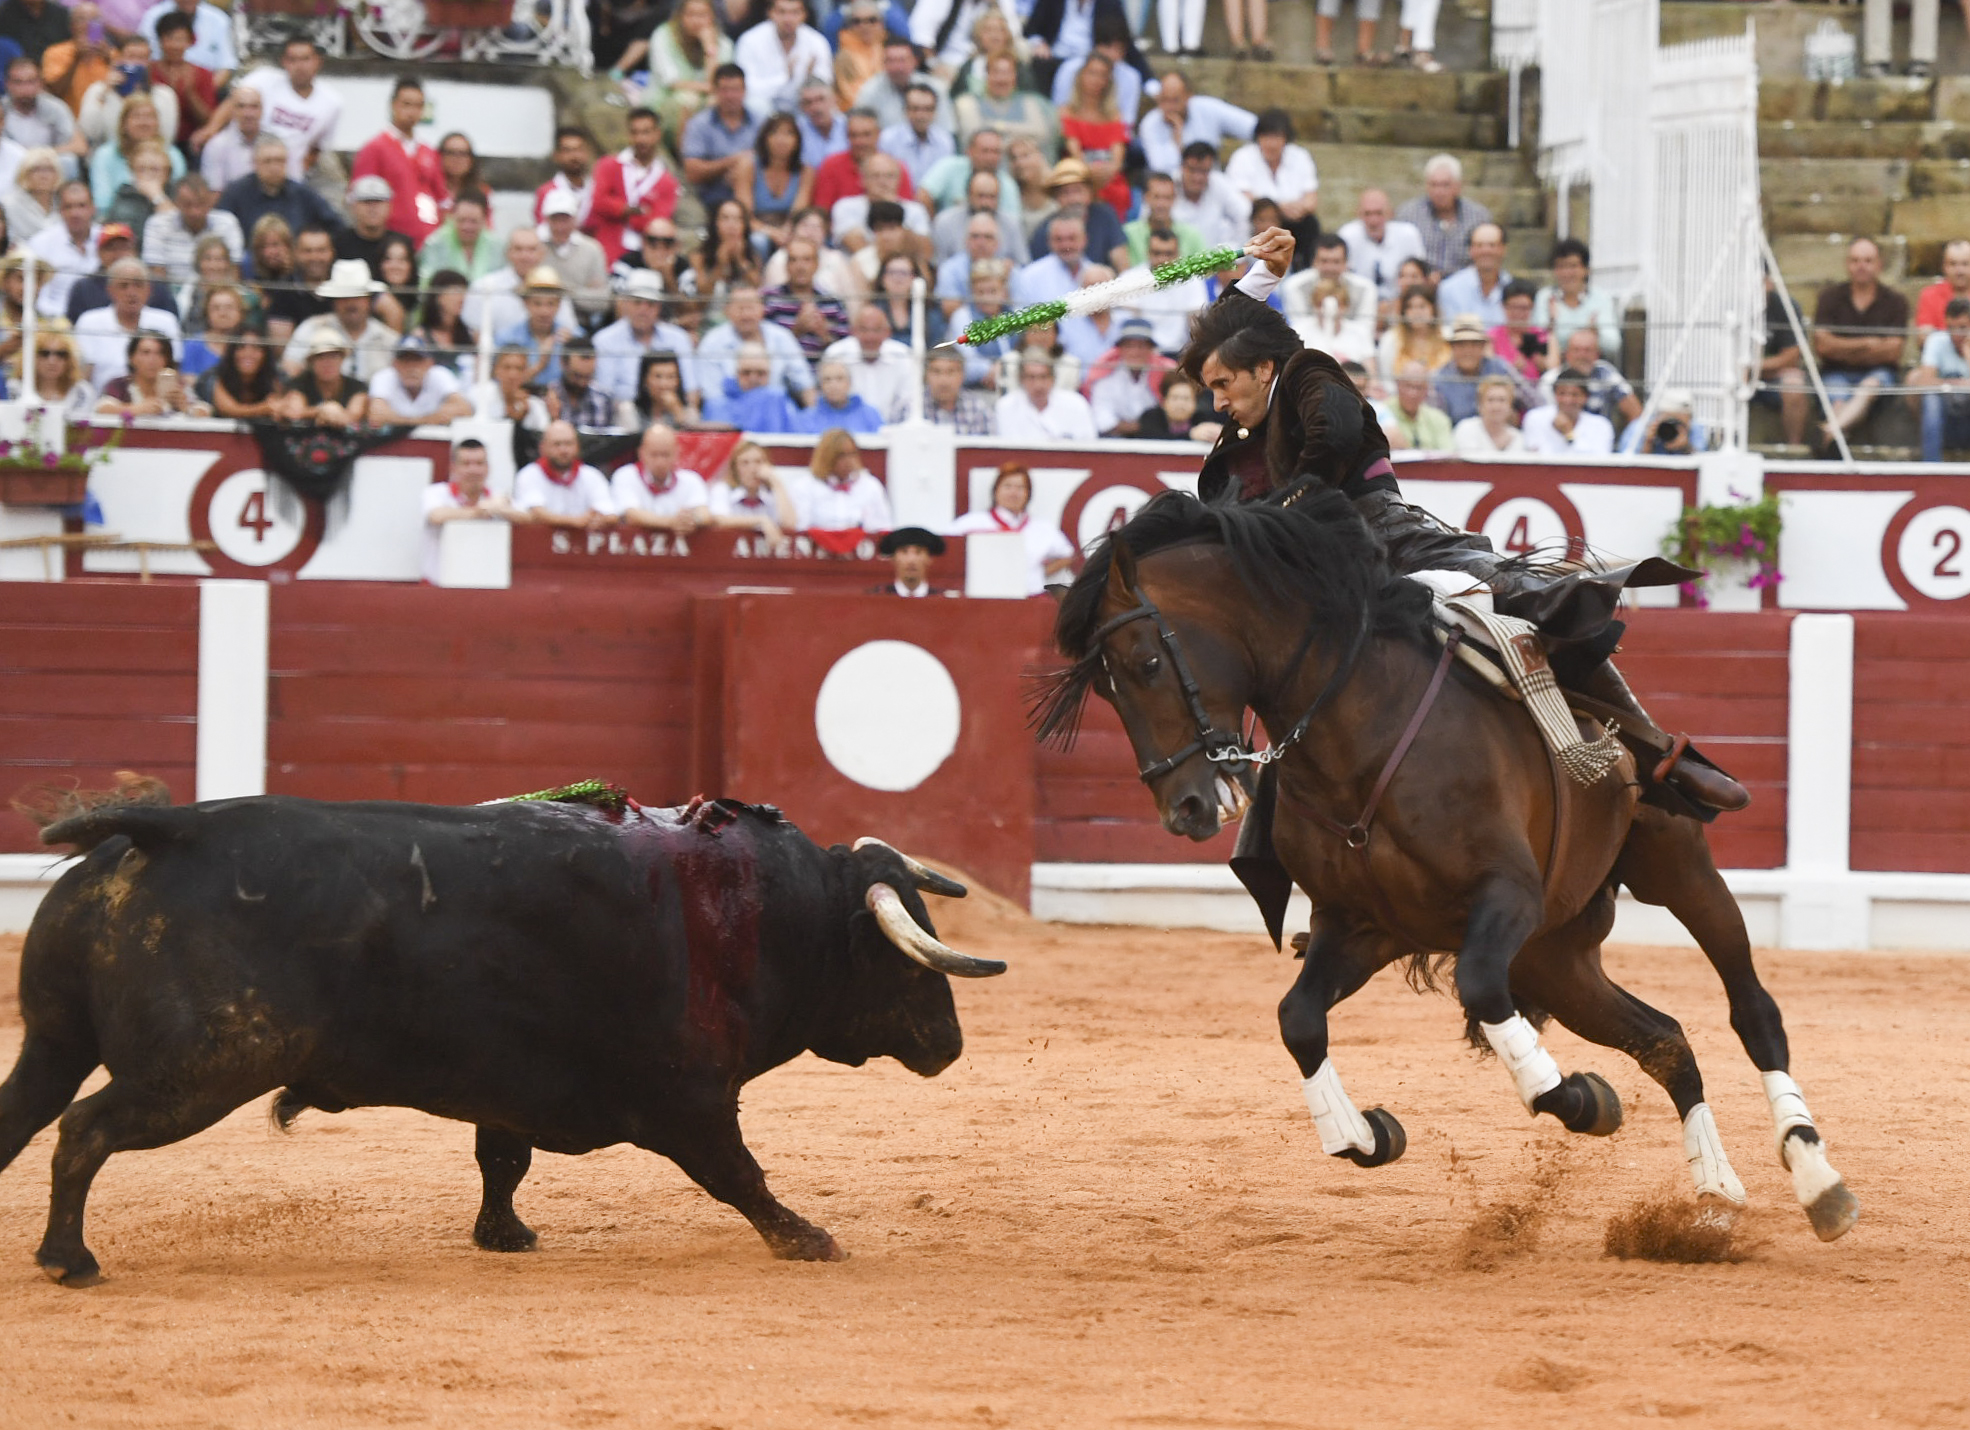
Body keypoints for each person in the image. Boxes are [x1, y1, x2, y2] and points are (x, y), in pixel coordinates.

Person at [1186, 225, 1748, 839]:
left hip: (1388, 544)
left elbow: (1331, 447)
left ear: (1262, 368)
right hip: (1313, 581)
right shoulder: (1243, 428)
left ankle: (1661, 752)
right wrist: (1263, 276)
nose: (1215, 401)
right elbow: (1220, 337)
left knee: (1527, 596)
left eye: (1221, 385)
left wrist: (1270, 520)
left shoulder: (1307, 376)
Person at [1809, 235, 1910, 450]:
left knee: (1869, 386)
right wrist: (1867, 344)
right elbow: (1823, 346)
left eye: (1867, 260)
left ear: (1879, 264)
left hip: (1879, 376)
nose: (1861, 266)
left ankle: (1828, 432)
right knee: (1837, 396)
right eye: (1855, 260)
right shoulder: (1829, 297)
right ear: (1847, 264)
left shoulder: (1895, 301)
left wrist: (1842, 348)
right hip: (1835, 373)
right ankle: (1834, 434)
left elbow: (1893, 352)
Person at [945, 460, 1073, 593]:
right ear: (996, 490)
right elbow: (946, 549)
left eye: (1020, 487)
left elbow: (1067, 554)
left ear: (1028, 493)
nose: (1013, 493)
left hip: (1030, 597)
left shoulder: (1042, 529)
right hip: (983, 598)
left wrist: (1037, 573)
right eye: (1007, 486)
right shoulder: (971, 523)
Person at [349, 77, 444, 247]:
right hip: (390, 243)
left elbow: (441, 197)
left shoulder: (428, 151)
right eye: (406, 104)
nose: (412, 112)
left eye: (418, 105)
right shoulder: (375, 148)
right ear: (393, 105)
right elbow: (359, 196)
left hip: (428, 240)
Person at [234, 35, 340, 183]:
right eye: (293, 60)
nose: (300, 66)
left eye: (305, 59)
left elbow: (318, 147)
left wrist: (300, 170)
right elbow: (233, 101)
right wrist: (209, 130)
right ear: (284, 62)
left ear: (318, 61)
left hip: (290, 180)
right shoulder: (263, 80)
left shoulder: (332, 102)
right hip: (248, 171)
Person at [421, 438, 521, 583]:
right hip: (437, 584)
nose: (473, 470)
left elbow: (526, 517)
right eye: (466, 464)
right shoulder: (436, 493)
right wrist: (481, 511)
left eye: (479, 463)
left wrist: (504, 509)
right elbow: (436, 515)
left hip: (485, 583)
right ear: (453, 467)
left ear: (488, 468)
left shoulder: (497, 497)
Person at [594, 268, 698, 404]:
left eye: (650, 304)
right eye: (637, 302)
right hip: (622, 413)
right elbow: (604, 393)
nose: (643, 310)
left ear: (659, 307)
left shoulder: (678, 338)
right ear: (625, 303)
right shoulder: (604, 340)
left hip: (670, 410)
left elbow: (691, 389)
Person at [74, 254, 181, 385]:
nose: (131, 292)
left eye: (138, 285)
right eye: (123, 286)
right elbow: (83, 377)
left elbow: (173, 371)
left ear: (149, 290)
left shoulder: (165, 322)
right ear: (110, 290)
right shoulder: (90, 322)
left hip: (154, 400)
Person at [281, 258, 394, 381]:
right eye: (344, 297)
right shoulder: (312, 328)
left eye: (357, 297)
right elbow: (289, 369)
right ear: (334, 301)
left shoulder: (388, 339)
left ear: (369, 300)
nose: (351, 303)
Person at [634, 0, 733, 138]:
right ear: (680, 16)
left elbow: (722, 83)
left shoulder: (723, 43)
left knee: (715, 102)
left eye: (702, 15)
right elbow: (672, 82)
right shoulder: (663, 36)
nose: (696, 21)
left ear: (712, 16)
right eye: (690, 14)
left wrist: (709, 48)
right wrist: (710, 87)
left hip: (705, 100)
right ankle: (684, 156)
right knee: (687, 100)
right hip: (665, 101)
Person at [698, 284, 814, 399]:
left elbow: (805, 383)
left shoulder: (782, 337)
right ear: (727, 311)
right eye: (740, 308)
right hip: (728, 409)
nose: (746, 315)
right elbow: (712, 395)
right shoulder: (712, 342)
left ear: (762, 309)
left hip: (774, 408)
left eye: (751, 308)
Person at [217, 135, 339, 244]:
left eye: (279, 160)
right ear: (254, 163)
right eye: (268, 161)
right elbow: (219, 228)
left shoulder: (302, 194)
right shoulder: (236, 193)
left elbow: (336, 225)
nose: (274, 167)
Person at [1225, 110, 1318, 252]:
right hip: (1255, 221)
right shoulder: (1242, 157)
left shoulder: (1300, 156)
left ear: (1286, 138)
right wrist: (1278, 208)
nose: (1271, 144)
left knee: (1310, 223)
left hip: (1293, 221)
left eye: (1277, 137)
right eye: (1266, 137)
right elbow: (1242, 196)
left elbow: (1311, 199)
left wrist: (1297, 208)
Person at [1394, 153, 1493, 278]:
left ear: (1458, 186)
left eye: (1445, 185)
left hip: (1464, 284)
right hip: (1420, 287)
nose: (1439, 192)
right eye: (1434, 185)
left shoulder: (1478, 217)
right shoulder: (1408, 215)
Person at [1137, 72, 1252, 178]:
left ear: (1188, 96)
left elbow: (1253, 127)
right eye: (1164, 100)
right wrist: (1177, 138)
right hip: (1173, 191)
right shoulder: (1150, 124)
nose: (1169, 107)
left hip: (1211, 183)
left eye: (1175, 101)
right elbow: (1163, 171)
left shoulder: (1208, 108)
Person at [734, 0, 832, 122]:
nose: (788, 19)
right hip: (766, 106)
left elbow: (825, 83)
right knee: (755, 105)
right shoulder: (750, 40)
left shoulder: (817, 42)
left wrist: (808, 79)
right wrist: (783, 78)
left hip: (802, 104)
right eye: (782, 12)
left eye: (794, 12)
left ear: (804, 15)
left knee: (822, 105)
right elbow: (747, 87)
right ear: (770, 13)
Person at [680, 62, 757, 211]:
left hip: (753, 195)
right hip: (710, 197)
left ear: (745, 90)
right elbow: (692, 172)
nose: (730, 96)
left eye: (735, 90)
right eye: (724, 90)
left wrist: (743, 171)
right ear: (714, 91)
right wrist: (731, 162)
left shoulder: (760, 122)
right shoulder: (699, 124)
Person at [953, 51, 1056, 161]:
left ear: (1015, 76)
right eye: (996, 72)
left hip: (1021, 165)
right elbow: (971, 134)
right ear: (987, 75)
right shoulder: (967, 102)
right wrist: (1019, 138)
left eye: (1007, 73)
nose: (1001, 79)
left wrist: (998, 128)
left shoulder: (1030, 102)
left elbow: (1041, 134)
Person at [514, 420, 615, 529]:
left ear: (577, 446)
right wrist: (576, 521)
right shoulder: (529, 475)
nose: (563, 450)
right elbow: (537, 514)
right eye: (557, 444)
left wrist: (601, 519)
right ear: (542, 448)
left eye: (568, 443)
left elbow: (611, 514)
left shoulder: (592, 475)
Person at [1337, 189, 1425, 314]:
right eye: (1368, 214)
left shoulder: (1408, 235)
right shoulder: (1347, 236)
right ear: (1358, 214)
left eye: (1379, 213)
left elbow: (1419, 278)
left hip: (1401, 307)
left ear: (1390, 213)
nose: (1374, 221)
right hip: (1357, 307)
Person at [140, 171, 239, 283]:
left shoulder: (227, 223)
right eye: (188, 205)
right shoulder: (157, 224)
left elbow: (233, 273)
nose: (195, 211)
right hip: (172, 293)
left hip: (215, 292)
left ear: (211, 201)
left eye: (200, 204)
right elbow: (157, 277)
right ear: (176, 203)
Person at [1533, 237, 1620, 363]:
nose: (1567, 273)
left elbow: (1613, 344)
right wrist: (1586, 334)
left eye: (1573, 266)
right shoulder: (1545, 297)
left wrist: (1596, 333)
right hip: (1556, 367)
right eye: (1561, 266)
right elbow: (1538, 341)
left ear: (1586, 270)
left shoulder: (1601, 298)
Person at [611, 422, 710, 533]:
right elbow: (631, 515)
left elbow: (704, 513)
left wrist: (693, 520)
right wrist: (671, 523)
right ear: (641, 453)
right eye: (654, 454)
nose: (660, 462)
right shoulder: (625, 475)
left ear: (677, 453)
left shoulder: (691, 480)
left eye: (665, 454)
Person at [762, 234, 847, 361]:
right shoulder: (768, 300)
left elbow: (846, 352)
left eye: (807, 260)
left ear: (817, 264)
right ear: (786, 265)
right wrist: (796, 331)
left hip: (823, 376)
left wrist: (824, 335)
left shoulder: (832, 303)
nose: (800, 267)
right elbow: (762, 351)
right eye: (793, 260)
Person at [1535, 327, 1641, 429]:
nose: (1582, 355)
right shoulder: (1550, 380)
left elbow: (1635, 412)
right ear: (1566, 354)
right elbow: (1543, 419)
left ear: (1597, 354)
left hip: (1600, 438)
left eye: (1588, 350)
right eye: (1576, 350)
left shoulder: (1606, 373)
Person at [493, 264, 576, 390]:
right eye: (537, 304)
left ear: (559, 304)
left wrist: (572, 353)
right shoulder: (506, 338)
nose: (544, 311)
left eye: (551, 304)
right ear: (525, 303)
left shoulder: (574, 337)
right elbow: (500, 384)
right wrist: (540, 365)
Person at [794, 427, 892, 532]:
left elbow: (882, 527)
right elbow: (800, 527)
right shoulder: (805, 486)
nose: (848, 461)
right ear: (826, 457)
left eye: (852, 454)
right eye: (841, 456)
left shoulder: (870, 486)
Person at [538, 189, 610, 326]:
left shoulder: (592, 249)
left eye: (565, 219)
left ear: (575, 219)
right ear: (546, 219)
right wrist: (582, 292)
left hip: (582, 324)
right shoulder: (535, 247)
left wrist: (564, 291)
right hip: (540, 321)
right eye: (555, 219)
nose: (560, 226)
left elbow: (602, 301)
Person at [1431, 312, 1519, 424]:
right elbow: (1437, 423)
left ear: (1483, 346)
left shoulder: (1500, 368)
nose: (1468, 351)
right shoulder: (1439, 379)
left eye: (1474, 344)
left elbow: (1534, 401)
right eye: (1461, 344)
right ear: (1452, 347)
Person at [94, 327, 206, 415]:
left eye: (160, 353)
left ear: (167, 359)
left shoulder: (178, 387)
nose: (152, 360)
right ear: (131, 357)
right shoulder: (119, 385)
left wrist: (186, 408)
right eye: (145, 353)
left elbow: (204, 411)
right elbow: (102, 408)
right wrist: (137, 409)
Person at [367, 331, 471, 425]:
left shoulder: (440, 374)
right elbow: (376, 415)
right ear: (395, 364)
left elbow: (464, 409)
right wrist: (429, 419)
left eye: (417, 361)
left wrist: (396, 419)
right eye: (405, 361)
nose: (411, 368)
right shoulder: (384, 377)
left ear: (429, 363)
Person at [147, 9, 215, 151]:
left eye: (181, 39)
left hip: (189, 143)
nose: (175, 45)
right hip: (151, 140)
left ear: (190, 42)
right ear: (160, 40)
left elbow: (207, 120)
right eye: (170, 38)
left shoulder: (202, 74)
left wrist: (190, 93)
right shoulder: (148, 71)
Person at [1086, 316, 1165, 437]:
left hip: (1156, 438)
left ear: (1150, 349)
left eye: (1141, 346)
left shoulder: (1164, 373)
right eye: (1129, 346)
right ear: (1120, 349)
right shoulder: (1105, 374)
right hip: (1114, 441)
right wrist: (1142, 426)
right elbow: (1102, 420)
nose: (1135, 352)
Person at [1913, 295, 1970, 461]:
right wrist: (1962, 383)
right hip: (1946, 411)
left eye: (1963, 327)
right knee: (1931, 400)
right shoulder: (1937, 340)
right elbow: (1925, 381)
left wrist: (1967, 352)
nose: (1956, 334)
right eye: (1951, 328)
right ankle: (1931, 468)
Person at [707, 438, 797, 543]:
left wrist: (776, 483)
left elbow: (790, 524)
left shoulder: (774, 492)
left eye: (758, 462)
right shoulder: (723, 489)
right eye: (745, 463)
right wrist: (761, 521)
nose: (753, 469)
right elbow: (719, 519)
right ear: (735, 468)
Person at [3, 54, 84, 164]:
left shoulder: (55, 107)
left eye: (31, 82)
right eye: (18, 82)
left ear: (40, 83)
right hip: (10, 164)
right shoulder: (1, 110)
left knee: (68, 161)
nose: (25, 88)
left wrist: (40, 155)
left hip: (47, 164)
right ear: (7, 84)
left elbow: (80, 146)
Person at [700, 340, 799, 430]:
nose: (753, 379)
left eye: (760, 373)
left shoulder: (779, 400)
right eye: (746, 373)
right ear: (736, 373)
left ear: (769, 374)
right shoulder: (716, 406)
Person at [996, 351, 1096, 440]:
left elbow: (1088, 448)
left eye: (1043, 377)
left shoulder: (1076, 404)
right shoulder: (1006, 406)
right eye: (1031, 377)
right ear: (1021, 379)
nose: (1038, 385)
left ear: (1053, 378)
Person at [277, 330, 367, 424]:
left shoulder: (357, 387)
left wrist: (336, 415)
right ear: (311, 362)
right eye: (320, 357)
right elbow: (293, 412)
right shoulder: (299, 383)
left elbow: (354, 415)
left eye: (333, 356)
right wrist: (320, 410)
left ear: (342, 359)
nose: (327, 363)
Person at [1173, 140, 1250, 250]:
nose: (1197, 178)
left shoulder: (1219, 183)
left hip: (1215, 262)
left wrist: (1236, 251)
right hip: (1176, 262)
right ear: (1182, 167)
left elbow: (1244, 215)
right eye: (1192, 170)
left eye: (1203, 171)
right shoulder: (1167, 187)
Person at [1521, 367, 1615, 455]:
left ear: (1585, 397)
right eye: (1562, 394)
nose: (1568, 400)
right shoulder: (1535, 418)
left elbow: (1599, 464)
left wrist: (1569, 435)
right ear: (1555, 395)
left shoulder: (1601, 425)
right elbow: (1536, 457)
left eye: (1575, 395)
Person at [1435, 222, 1511, 330]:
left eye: (1492, 245)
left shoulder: (1513, 289)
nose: (1486, 251)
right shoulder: (1449, 289)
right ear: (1470, 250)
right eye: (1479, 245)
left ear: (1503, 249)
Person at [15, 315, 95, 414]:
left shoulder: (82, 393)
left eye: (61, 354)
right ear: (31, 357)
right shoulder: (15, 389)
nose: (52, 361)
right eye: (44, 353)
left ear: (70, 359)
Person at [418, 194, 501, 286]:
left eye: (473, 221)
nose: (467, 227)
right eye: (462, 220)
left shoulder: (498, 247)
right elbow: (426, 284)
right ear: (452, 217)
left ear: (484, 220)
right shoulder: (435, 243)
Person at [199, 330, 280, 418]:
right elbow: (228, 410)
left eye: (256, 347)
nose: (248, 354)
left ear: (265, 354)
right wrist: (264, 408)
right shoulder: (214, 375)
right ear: (232, 352)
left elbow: (281, 405)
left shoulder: (275, 376)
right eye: (241, 347)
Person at [910, 347, 994, 430]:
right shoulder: (911, 408)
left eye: (951, 372)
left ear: (962, 375)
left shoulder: (978, 410)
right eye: (936, 371)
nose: (943, 380)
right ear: (926, 375)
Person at [197, 79, 260, 190]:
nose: (248, 113)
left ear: (262, 110)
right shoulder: (216, 145)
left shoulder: (273, 142)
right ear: (232, 110)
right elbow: (213, 192)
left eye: (254, 107)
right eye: (241, 106)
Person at [1377, 282, 1447, 379]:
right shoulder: (1391, 339)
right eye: (1410, 307)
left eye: (1422, 306)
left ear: (1433, 309)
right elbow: (1385, 378)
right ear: (1404, 312)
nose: (1416, 312)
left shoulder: (1447, 337)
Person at [1489, 278, 1549, 386]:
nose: (1518, 313)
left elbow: (1553, 369)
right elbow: (1488, 370)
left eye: (1524, 308)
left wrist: (1538, 361)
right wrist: (1513, 370)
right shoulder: (1492, 336)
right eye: (1513, 307)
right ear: (1503, 306)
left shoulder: (1542, 335)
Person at [1382, 359, 1453, 451]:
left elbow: (1448, 454)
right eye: (1408, 385)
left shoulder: (1438, 419)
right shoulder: (1381, 412)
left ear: (1427, 390)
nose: (1413, 393)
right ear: (1398, 384)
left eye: (1419, 387)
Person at [1618, 386, 1707, 457]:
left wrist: (1687, 447)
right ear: (1658, 416)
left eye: (1679, 423)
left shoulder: (1695, 429)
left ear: (1689, 418)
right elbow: (1628, 467)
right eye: (1670, 420)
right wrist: (1648, 443)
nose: (1673, 427)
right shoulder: (1638, 429)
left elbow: (1704, 467)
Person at [549, 335, 615, 428]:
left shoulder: (603, 399)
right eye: (577, 376)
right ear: (563, 364)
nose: (582, 383)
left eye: (588, 377)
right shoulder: (548, 396)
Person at [1451, 372, 1523, 456]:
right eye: (1490, 400)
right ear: (1480, 405)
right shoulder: (1466, 429)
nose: (1496, 406)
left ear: (1510, 406)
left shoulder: (1519, 438)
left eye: (1502, 400)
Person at [1915, 238, 1970, 344]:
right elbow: (1923, 337)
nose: (1959, 271)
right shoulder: (1929, 295)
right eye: (1953, 264)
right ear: (1944, 267)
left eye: (1965, 264)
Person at [3, 143, 59, 246]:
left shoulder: (65, 204)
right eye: (37, 169)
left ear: (57, 175)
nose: (44, 175)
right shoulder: (9, 205)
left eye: (49, 169)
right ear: (25, 173)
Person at [484, 344, 548, 433]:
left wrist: (522, 419)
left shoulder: (536, 406)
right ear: (496, 370)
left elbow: (542, 441)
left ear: (526, 372)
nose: (512, 375)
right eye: (507, 367)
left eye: (519, 368)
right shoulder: (482, 397)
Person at [871, 526, 951, 595]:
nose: (911, 560)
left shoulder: (941, 599)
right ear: (893, 559)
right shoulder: (877, 597)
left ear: (929, 559)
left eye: (918, 552)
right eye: (904, 552)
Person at [435, 131, 491, 217]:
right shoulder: (429, 190)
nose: (457, 159)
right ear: (439, 156)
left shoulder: (482, 191)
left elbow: (486, 226)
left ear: (471, 159)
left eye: (463, 153)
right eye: (450, 153)